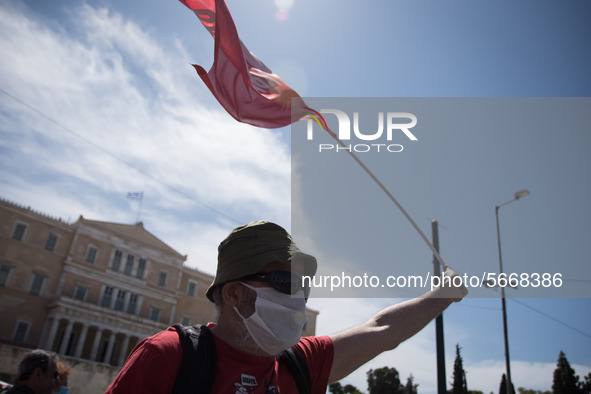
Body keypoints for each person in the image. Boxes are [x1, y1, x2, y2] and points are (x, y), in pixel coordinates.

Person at [106, 220, 467, 394]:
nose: (298, 298)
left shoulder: (301, 363)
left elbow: (381, 330)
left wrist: (443, 294)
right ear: (233, 293)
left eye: (303, 286)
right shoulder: (169, 356)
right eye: (285, 282)